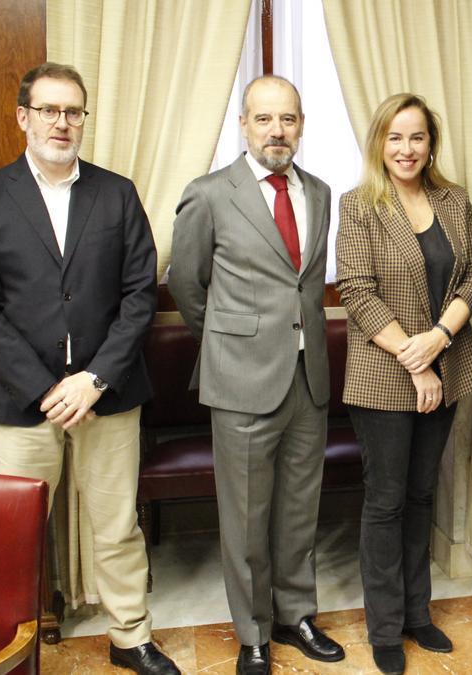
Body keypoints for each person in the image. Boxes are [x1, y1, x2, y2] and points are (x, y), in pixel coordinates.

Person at [0, 62, 179, 675]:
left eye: (73, 111)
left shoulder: (118, 192)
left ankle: (131, 637)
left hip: (106, 392)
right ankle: (8, 646)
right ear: (23, 117)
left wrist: (93, 378)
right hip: (18, 399)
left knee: (117, 527)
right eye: (49, 110)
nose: (62, 122)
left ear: (83, 119)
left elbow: (139, 297)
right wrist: (46, 387)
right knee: (15, 535)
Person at [168, 74, 343, 675]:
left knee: (299, 508)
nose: (277, 130)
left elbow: (307, 286)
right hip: (241, 379)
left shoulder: (319, 192)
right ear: (243, 123)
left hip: (309, 378)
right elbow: (187, 287)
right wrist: (230, 343)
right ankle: (253, 635)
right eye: (264, 118)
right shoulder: (210, 193)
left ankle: (296, 616)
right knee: (244, 517)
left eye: (288, 119)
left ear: (300, 125)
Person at [335, 93, 472, 675]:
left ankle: (418, 612)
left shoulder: (454, 200)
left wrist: (441, 340)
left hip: (444, 369)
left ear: (431, 143)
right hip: (383, 378)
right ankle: (385, 626)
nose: (406, 148)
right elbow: (355, 289)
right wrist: (414, 358)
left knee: (424, 496)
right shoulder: (359, 205)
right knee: (386, 500)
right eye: (395, 137)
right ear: (380, 142)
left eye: (416, 137)